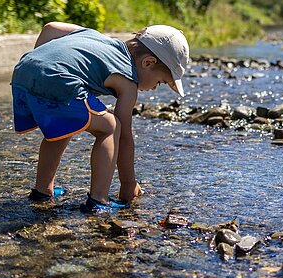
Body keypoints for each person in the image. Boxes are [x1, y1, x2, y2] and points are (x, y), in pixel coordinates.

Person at [11, 22, 189, 213]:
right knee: (111, 127)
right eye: (160, 82)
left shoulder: (94, 36)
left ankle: (42, 191)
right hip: (58, 78)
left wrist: (43, 64)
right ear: (148, 63)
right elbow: (123, 137)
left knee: (62, 127)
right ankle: (98, 200)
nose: (154, 88)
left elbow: (50, 28)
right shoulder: (128, 81)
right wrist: (128, 183)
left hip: (24, 70)